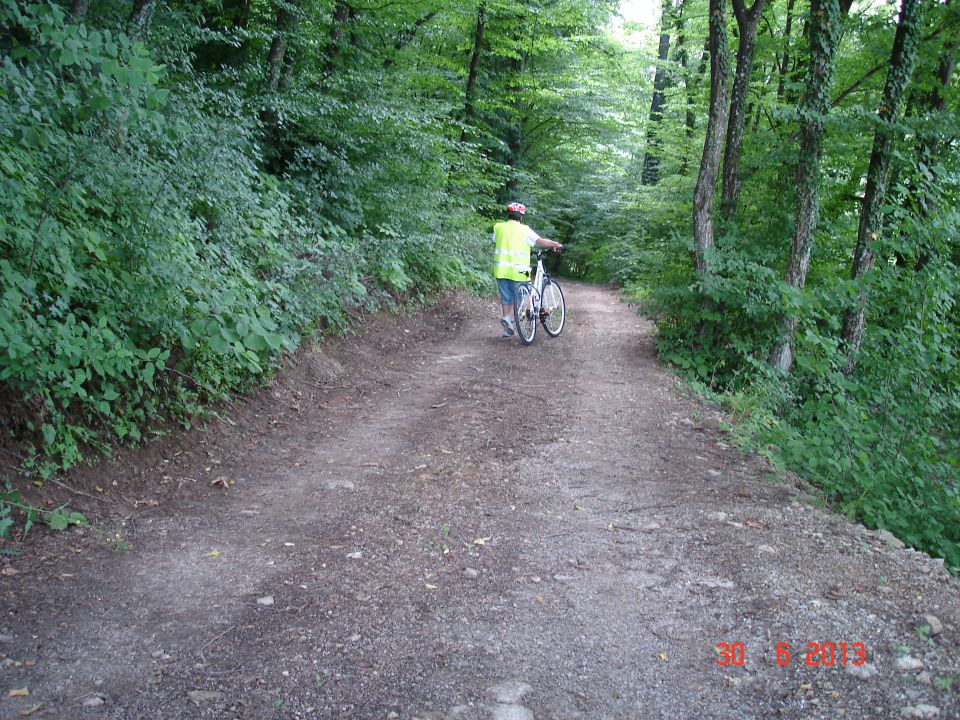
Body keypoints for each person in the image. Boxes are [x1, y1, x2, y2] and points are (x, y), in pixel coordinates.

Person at [492, 202, 563, 337]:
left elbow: (495, 241)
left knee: (506, 297)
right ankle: (515, 319)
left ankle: (507, 319)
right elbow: (541, 241)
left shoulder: (498, 227)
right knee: (521, 294)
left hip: (501, 269)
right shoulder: (525, 230)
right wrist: (556, 244)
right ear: (521, 217)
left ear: (508, 214)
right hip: (520, 271)